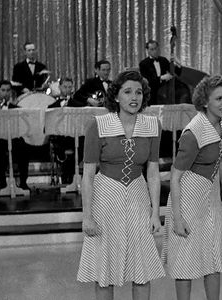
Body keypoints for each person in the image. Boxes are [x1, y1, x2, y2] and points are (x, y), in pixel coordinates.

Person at [77, 70, 165, 300]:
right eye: (127, 92)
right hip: (105, 198)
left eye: (138, 92)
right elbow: (87, 175)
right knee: (105, 271)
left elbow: (153, 172)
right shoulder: (97, 125)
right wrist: (87, 216)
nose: (134, 97)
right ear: (116, 96)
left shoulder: (153, 125)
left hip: (138, 196)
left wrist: (156, 213)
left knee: (142, 270)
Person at [161, 75, 222, 300]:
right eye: (218, 98)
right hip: (188, 196)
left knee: (212, 257)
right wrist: (177, 218)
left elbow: (220, 153)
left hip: (209, 194)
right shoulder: (193, 133)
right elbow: (175, 177)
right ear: (205, 102)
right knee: (186, 260)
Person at [0, 80, 30, 190]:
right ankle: (2, 183)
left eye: (8, 90)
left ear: (11, 92)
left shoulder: (16, 109)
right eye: (3, 90)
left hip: (13, 137)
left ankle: (23, 182)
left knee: (24, 147)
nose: (5, 93)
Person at [48, 78, 76, 184]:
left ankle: (70, 178)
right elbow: (48, 127)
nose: (67, 90)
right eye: (65, 87)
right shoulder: (51, 107)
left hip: (74, 137)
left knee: (81, 146)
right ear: (59, 88)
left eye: (70, 87)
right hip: (60, 138)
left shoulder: (78, 105)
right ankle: (66, 178)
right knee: (59, 147)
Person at [139, 39, 182, 106]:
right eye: (152, 49)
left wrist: (178, 63)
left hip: (164, 91)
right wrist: (162, 77)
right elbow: (147, 81)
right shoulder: (143, 64)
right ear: (148, 51)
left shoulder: (163, 60)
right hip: (151, 92)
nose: (155, 51)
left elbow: (176, 72)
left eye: (156, 49)